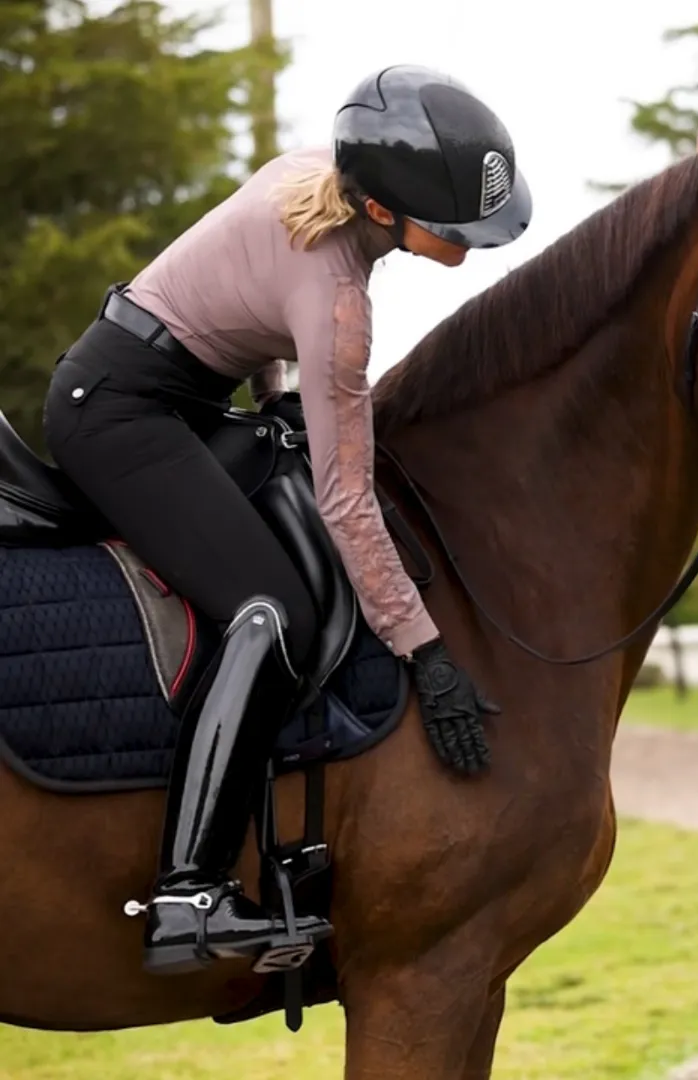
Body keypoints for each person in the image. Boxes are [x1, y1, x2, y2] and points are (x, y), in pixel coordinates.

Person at [41, 64, 532, 976]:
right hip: (116, 412)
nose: (468, 243)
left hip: (176, 397)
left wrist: (273, 403)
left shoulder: (314, 175)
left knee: (290, 485)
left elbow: (249, 311)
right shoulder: (341, 300)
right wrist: (425, 651)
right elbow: (351, 500)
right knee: (272, 612)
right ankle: (189, 891)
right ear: (384, 212)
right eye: (452, 226)